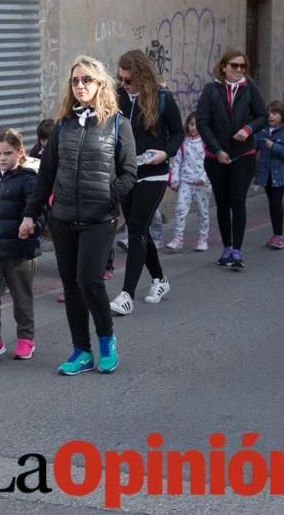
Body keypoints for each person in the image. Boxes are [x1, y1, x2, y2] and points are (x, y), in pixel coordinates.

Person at [20, 56, 136, 375]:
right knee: (71, 285)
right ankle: (81, 351)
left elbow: (129, 172)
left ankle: (106, 341)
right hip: (63, 218)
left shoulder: (118, 124)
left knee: (90, 281)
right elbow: (46, 175)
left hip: (100, 219)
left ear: (100, 84)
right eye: (75, 81)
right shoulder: (63, 126)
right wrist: (31, 214)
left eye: (86, 80)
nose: (80, 86)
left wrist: (108, 199)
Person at [109, 50, 184, 315]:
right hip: (126, 172)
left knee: (137, 228)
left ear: (142, 76)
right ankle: (160, 280)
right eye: (120, 79)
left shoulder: (162, 98)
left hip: (154, 172)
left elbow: (178, 133)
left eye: (128, 80)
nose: (123, 84)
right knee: (137, 230)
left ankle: (126, 294)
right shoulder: (116, 98)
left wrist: (165, 153)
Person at [0, 129, 42, 363]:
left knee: (22, 297)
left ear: (20, 153)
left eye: (8, 153)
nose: (2, 158)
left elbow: (39, 212)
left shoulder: (29, 180)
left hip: (20, 250)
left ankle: (25, 338)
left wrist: (32, 227)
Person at [195, 49, 267, 270]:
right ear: (224, 66)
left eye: (242, 66)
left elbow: (262, 116)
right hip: (215, 157)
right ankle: (226, 248)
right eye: (234, 66)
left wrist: (247, 129)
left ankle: (237, 250)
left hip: (243, 155)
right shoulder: (211, 90)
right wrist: (217, 150)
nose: (238, 70)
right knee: (223, 203)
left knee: (237, 200)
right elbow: (202, 122)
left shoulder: (249, 88)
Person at [254, 102, 284, 250]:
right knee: (272, 204)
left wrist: (273, 146)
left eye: (275, 113)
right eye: (269, 113)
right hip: (266, 175)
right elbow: (253, 148)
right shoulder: (263, 131)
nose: (271, 116)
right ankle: (275, 234)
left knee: (275, 202)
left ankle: (279, 236)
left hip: (281, 175)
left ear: (282, 116)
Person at [165, 112, 211, 253]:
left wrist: (204, 178)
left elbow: (211, 163)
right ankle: (178, 239)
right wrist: (175, 180)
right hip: (186, 182)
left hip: (202, 184)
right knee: (180, 210)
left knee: (203, 212)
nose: (193, 128)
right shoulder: (183, 143)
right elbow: (177, 162)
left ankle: (203, 239)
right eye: (191, 124)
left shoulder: (206, 143)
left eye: (196, 125)